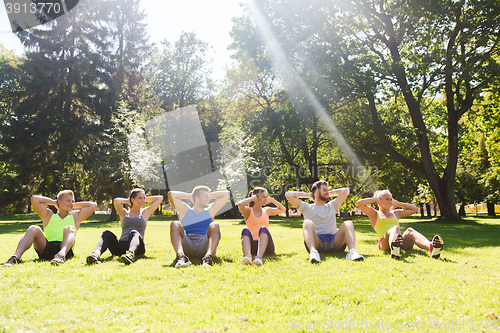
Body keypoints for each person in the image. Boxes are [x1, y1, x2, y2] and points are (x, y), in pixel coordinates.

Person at [2, 190, 97, 266]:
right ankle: (15, 258)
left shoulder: (76, 217)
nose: (71, 203)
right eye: (68, 200)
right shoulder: (48, 215)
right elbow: (34, 198)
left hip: (65, 250)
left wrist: (70, 205)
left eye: (72, 201)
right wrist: (54, 203)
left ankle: (61, 256)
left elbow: (93, 205)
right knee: (33, 228)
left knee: (69, 228)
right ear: (59, 202)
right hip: (47, 248)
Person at [285, 180, 364, 263]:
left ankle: (352, 252)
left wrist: (327, 193)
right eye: (324, 190)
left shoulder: (332, 206)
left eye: (328, 190)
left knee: (348, 223)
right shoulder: (306, 207)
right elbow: (288, 195)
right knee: (307, 222)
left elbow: (346, 191)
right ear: (316, 192)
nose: (327, 192)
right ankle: (314, 253)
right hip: (317, 242)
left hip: (334, 241)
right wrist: (309, 195)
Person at [356, 190, 444, 259]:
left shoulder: (395, 213)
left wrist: (398, 204)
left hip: (398, 241)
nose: (390, 202)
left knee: (410, 230)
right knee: (395, 228)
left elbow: (415, 209)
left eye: (391, 199)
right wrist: (375, 199)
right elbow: (360, 203)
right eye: (387, 199)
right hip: (384, 243)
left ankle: (431, 247)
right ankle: (394, 249)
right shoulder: (374, 214)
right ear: (379, 201)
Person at [86, 189, 163, 265]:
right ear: (132, 199)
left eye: (144, 198)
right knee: (106, 233)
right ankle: (95, 254)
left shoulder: (145, 212)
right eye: (140, 198)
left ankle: (130, 254)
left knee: (134, 232)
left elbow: (160, 198)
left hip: (138, 248)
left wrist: (143, 199)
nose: (143, 200)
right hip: (121, 247)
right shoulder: (124, 213)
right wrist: (128, 200)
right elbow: (116, 201)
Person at [168, 186, 230, 268]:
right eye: (205, 197)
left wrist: (207, 195)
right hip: (188, 244)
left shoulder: (210, 210)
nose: (208, 199)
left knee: (215, 225)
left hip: (204, 245)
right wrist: (190, 196)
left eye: (209, 197)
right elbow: (171, 194)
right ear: (196, 199)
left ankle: (207, 258)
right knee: (175, 223)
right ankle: (181, 257)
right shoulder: (185, 210)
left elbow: (226, 194)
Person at [238, 187, 286, 265]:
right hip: (252, 246)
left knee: (263, 228)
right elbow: (240, 204)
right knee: (245, 230)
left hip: (266, 246)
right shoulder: (248, 211)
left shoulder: (267, 210)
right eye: (263, 197)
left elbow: (283, 209)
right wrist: (253, 197)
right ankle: (248, 257)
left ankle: (259, 257)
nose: (265, 199)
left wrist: (273, 201)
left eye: (266, 197)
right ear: (256, 198)